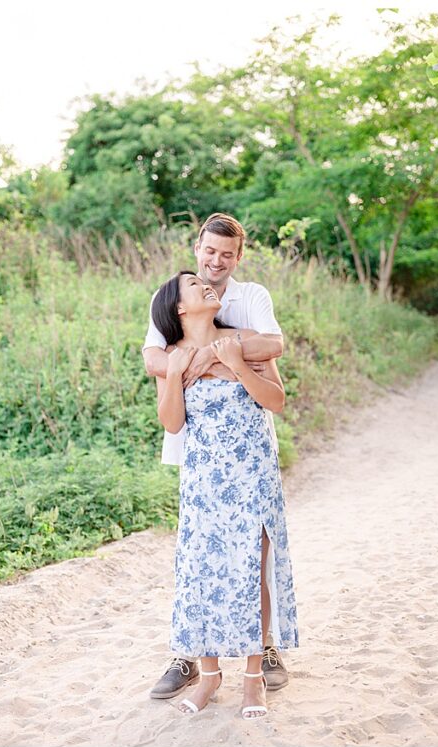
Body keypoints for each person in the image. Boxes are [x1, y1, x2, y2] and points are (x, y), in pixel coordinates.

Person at [142, 213, 292, 701]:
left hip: (250, 457)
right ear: (197, 247)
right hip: (202, 460)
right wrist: (187, 365)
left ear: (238, 257)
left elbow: (273, 348)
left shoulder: (248, 306)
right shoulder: (169, 300)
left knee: (256, 554)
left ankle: (262, 651)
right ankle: (194, 661)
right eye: (209, 252)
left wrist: (222, 359)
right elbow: (154, 363)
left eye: (227, 254)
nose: (215, 262)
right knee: (201, 560)